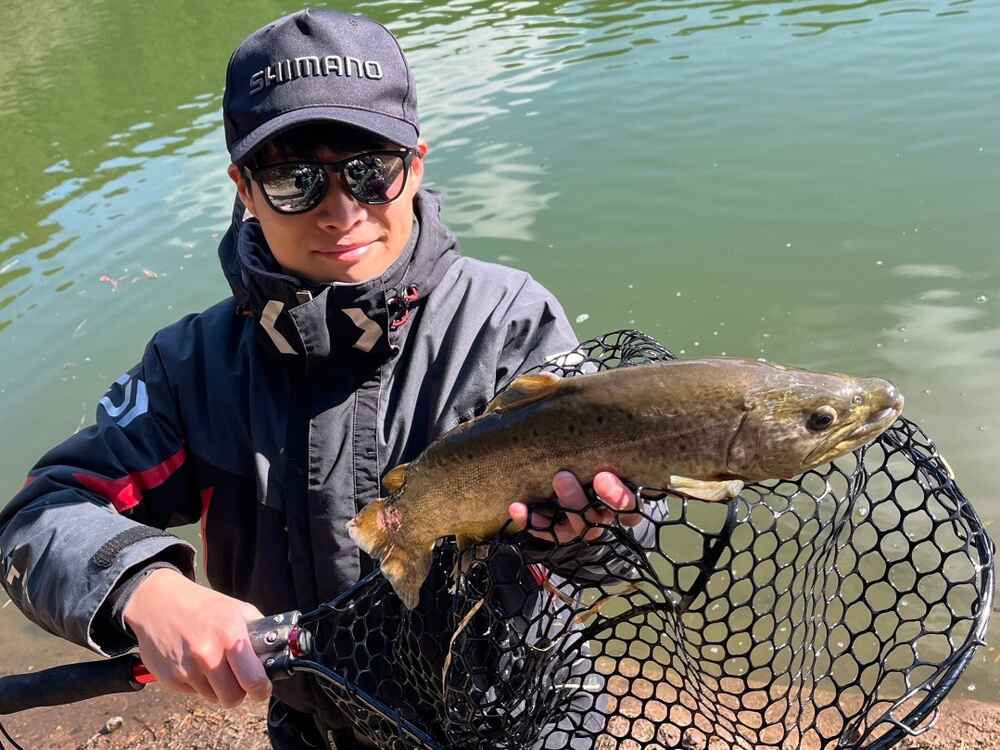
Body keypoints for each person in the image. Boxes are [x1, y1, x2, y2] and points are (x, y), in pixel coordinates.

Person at [0, 9, 641, 749]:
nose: (341, 211)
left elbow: (626, 541)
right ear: (244, 189)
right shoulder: (191, 366)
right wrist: (146, 587)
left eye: (371, 171)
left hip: (519, 717)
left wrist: (594, 527)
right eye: (293, 180)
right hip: (317, 728)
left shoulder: (509, 323)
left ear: (416, 165)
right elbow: (39, 517)